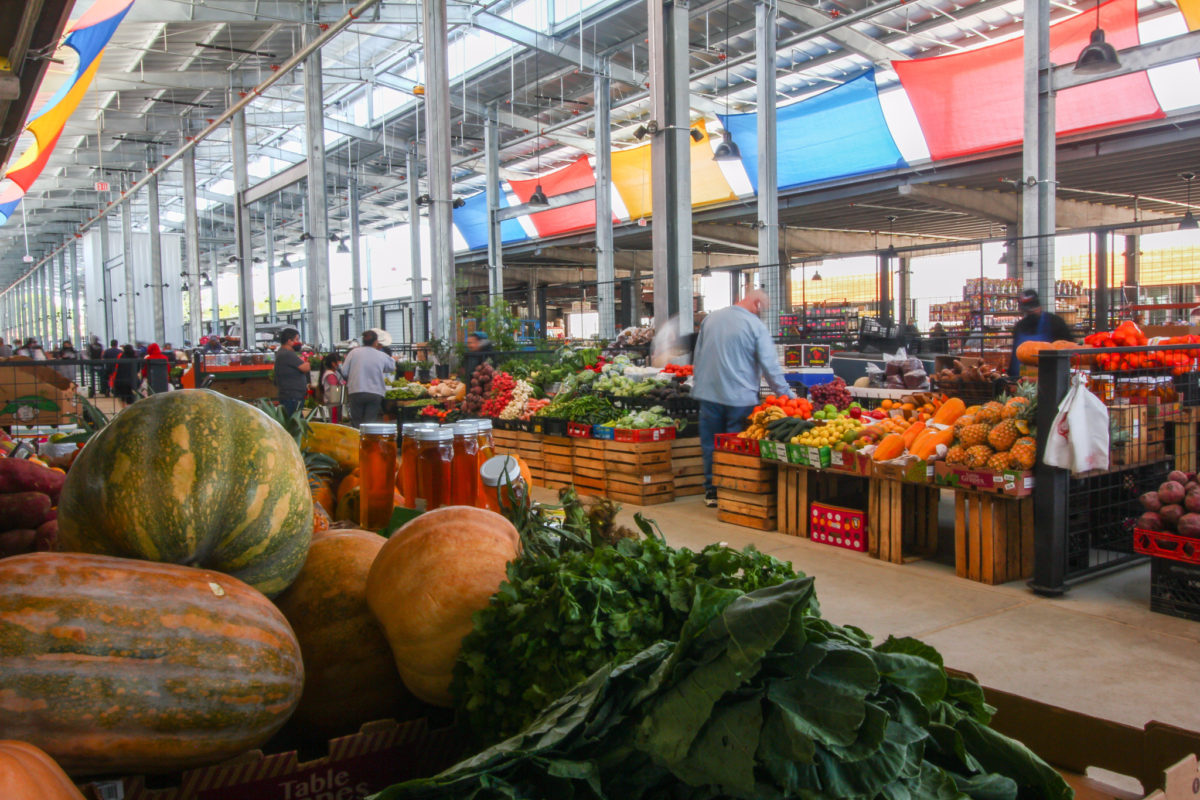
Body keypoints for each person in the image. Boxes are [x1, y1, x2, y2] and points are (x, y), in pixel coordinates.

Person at [692, 289, 795, 507]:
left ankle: (712, 491)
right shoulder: (755, 326)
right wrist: (788, 397)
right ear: (757, 304)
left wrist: (698, 386)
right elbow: (770, 367)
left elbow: (698, 357)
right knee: (737, 446)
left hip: (708, 395)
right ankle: (733, 490)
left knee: (711, 445)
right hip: (740, 399)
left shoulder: (711, 319)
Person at [1009, 289, 1073, 376]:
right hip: (1020, 379)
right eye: (1028, 311)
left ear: (1039, 306)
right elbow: (1014, 357)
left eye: (1033, 308)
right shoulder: (1019, 327)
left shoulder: (1054, 322)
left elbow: (1068, 349)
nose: (1031, 312)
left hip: (1049, 377)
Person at [342, 328, 396, 426]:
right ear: (376, 342)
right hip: (375, 392)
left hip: (355, 391)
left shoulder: (353, 353)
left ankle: (357, 435)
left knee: (357, 421)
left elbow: (344, 371)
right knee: (370, 423)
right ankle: (368, 435)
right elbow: (391, 367)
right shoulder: (381, 355)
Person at [273, 328, 311, 418]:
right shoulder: (287, 354)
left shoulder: (283, 353)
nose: (299, 343)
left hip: (290, 396)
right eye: (297, 340)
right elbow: (305, 368)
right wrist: (309, 361)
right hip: (292, 397)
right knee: (294, 422)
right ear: (289, 341)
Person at [318, 353, 346, 424]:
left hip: (336, 402)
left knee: (336, 420)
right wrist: (343, 384)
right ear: (333, 363)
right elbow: (335, 387)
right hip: (333, 402)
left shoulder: (335, 372)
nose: (341, 363)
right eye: (339, 361)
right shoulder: (330, 374)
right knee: (334, 421)